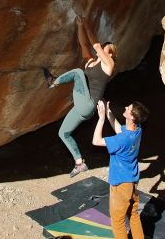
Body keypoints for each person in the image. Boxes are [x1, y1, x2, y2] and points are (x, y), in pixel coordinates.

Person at [43, 15, 116, 177]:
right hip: (82, 107)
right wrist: (79, 26)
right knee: (63, 133)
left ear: (111, 54)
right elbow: (84, 44)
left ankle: (53, 82)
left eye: (108, 48)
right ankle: (79, 162)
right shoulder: (90, 62)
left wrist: (87, 24)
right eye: (105, 47)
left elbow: (95, 45)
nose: (104, 48)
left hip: (88, 103)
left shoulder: (109, 66)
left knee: (77, 72)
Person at [93, 100, 149, 239]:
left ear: (132, 117)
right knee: (134, 215)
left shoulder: (122, 140)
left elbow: (96, 141)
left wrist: (101, 119)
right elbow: (119, 129)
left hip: (121, 183)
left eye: (128, 108)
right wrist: (108, 113)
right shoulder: (137, 130)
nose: (125, 107)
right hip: (133, 180)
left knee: (117, 222)